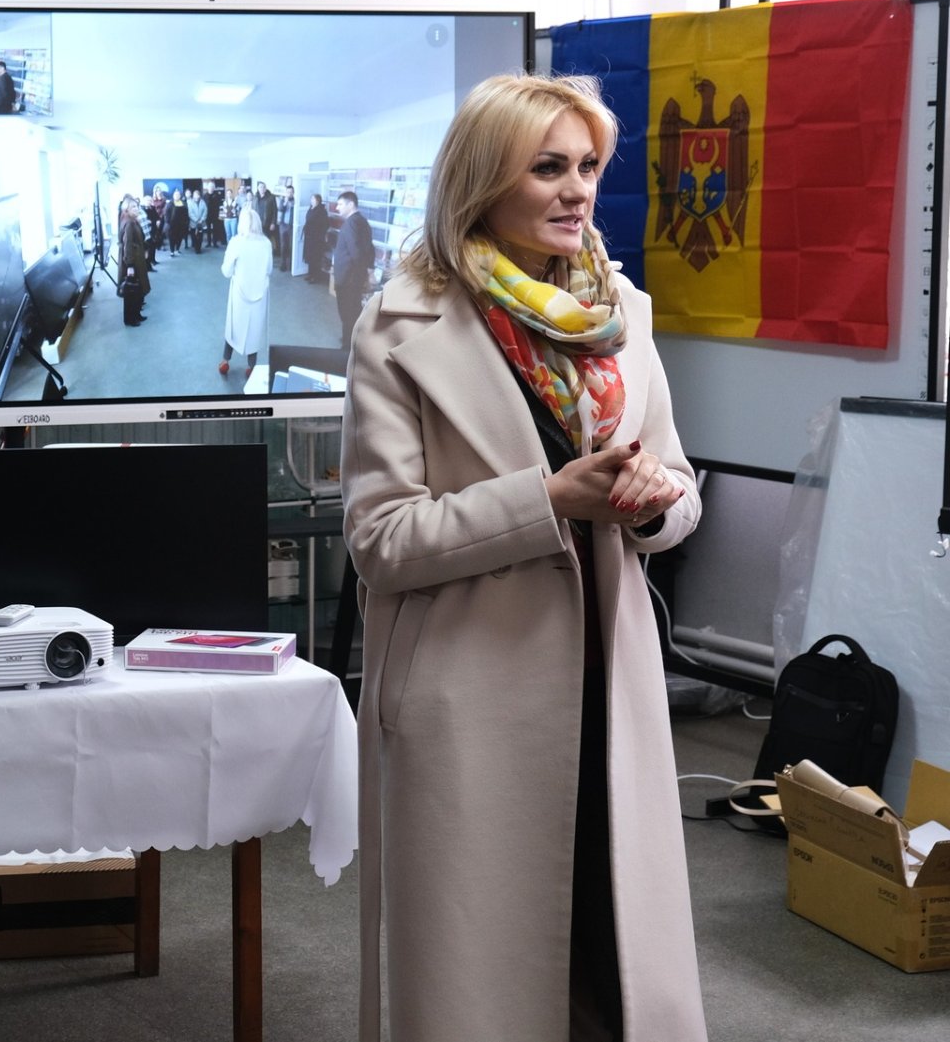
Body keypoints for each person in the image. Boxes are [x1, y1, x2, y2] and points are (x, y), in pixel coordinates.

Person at [340, 73, 706, 1042]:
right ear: (482, 179)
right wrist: (546, 501)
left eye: (587, 166)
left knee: (612, 946)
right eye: (548, 167)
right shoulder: (400, 325)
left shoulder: (623, 313)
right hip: (475, 692)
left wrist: (654, 501)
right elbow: (381, 538)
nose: (577, 190)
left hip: (609, 682)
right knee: (488, 963)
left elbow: (680, 487)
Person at [218, 191, 272, 375]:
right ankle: (252, 367)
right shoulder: (266, 243)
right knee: (254, 329)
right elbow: (269, 269)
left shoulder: (236, 242)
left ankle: (225, 361)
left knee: (234, 326)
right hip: (260, 292)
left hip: (240, 293)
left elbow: (226, 271)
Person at [329, 190, 374, 350]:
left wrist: (362, 273)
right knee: (354, 310)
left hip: (348, 279)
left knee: (347, 313)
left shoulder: (351, 224)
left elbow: (356, 253)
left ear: (351, 204)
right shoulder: (362, 221)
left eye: (340, 204)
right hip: (354, 278)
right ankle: (352, 340)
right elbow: (370, 248)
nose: (337, 208)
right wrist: (368, 271)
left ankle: (347, 347)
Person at [116, 194, 151, 325]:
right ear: (127, 209)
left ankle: (136, 314)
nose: (136, 209)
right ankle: (130, 319)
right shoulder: (129, 223)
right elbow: (128, 244)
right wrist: (130, 265)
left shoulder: (133, 220)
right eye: (133, 207)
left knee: (136, 289)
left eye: (137, 206)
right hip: (132, 261)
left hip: (137, 258)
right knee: (131, 290)